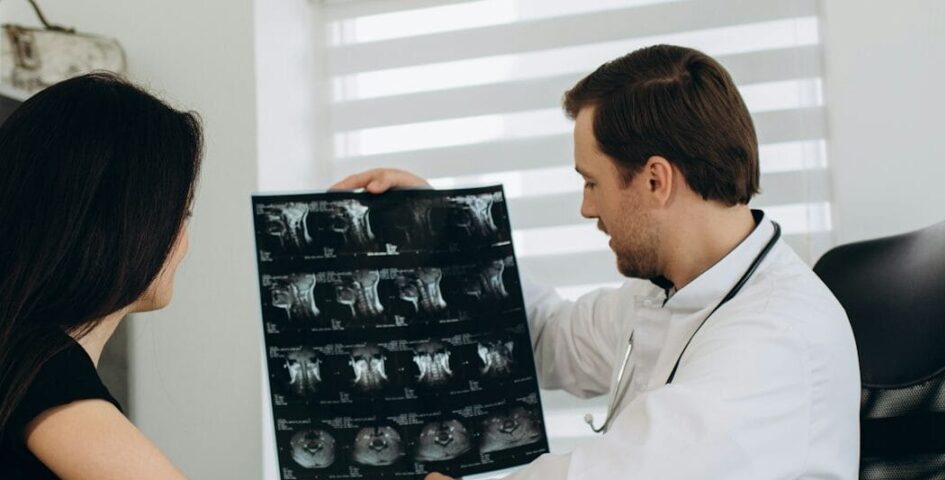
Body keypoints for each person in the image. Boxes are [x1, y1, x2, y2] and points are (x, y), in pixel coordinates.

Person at [332, 44, 861, 479]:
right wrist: (448, 231)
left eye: (592, 182)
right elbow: (548, 337)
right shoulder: (669, 291)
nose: (587, 208)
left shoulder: (775, 337)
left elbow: (632, 471)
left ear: (655, 180)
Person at [0, 72, 201, 479]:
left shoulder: (21, 359)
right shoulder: (48, 376)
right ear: (130, 225)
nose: (185, 243)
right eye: (183, 214)